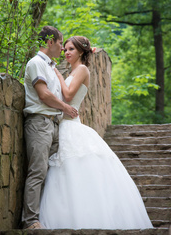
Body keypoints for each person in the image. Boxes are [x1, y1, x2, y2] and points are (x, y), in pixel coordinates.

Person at [39, 36, 153, 230]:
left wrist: (57, 74)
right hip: (63, 125)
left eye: (71, 49)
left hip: (71, 126)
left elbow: (67, 96)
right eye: (65, 49)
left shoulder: (82, 69)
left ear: (82, 52)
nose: (66, 52)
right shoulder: (74, 70)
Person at [22, 26, 78, 230]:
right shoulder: (36, 63)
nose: (63, 48)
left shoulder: (50, 66)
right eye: (61, 43)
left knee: (50, 172)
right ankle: (30, 221)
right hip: (39, 123)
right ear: (50, 42)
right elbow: (44, 95)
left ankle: (44, 217)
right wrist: (66, 108)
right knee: (37, 171)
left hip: (53, 124)